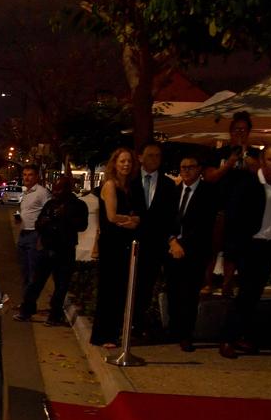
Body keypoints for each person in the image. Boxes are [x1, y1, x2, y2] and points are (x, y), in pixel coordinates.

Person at [218, 143, 271, 359]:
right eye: (269, 159)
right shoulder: (248, 183)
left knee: (253, 295)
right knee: (245, 294)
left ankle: (240, 335)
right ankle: (227, 338)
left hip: (268, 246)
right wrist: (233, 251)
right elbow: (234, 216)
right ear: (262, 160)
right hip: (251, 246)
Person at [14, 176, 87, 325]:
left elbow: (82, 226)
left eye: (59, 189)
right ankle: (27, 311)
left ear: (67, 189)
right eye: (55, 188)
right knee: (36, 282)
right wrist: (44, 222)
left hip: (64, 250)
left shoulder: (78, 205)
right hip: (47, 249)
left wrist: (65, 217)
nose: (56, 192)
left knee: (61, 285)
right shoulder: (50, 204)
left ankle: (54, 316)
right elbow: (39, 223)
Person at [166, 156, 219, 351]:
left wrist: (182, 245)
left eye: (191, 167)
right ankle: (173, 329)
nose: (186, 171)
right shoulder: (174, 191)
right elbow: (167, 218)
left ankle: (186, 335)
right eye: (183, 167)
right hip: (171, 248)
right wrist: (172, 241)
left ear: (199, 169)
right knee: (173, 291)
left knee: (189, 294)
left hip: (194, 251)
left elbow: (205, 224)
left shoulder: (209, 193)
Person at [91, 147, 141, 348]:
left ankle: (113, 332)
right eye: (122, 161)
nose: (126, 164)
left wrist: (132, 221)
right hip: (112, 244)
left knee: (120, 290)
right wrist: (130, 220)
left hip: (124, 243)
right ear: (115, 163)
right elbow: (111, 217)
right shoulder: (110, 186)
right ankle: (104, 335)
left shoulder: (129, 187)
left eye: (129, 161)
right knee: (109, 290)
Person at [202, 111, 254, 296]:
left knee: (233, 250)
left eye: (244, 130)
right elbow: (210, 177)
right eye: (237, 129)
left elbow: (261, 173)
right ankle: (208, 282)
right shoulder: (220, 153)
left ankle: (227, 284)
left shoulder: (254, 154)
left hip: (242, 211)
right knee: (212, 248)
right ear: (231, 132)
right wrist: (229, 162)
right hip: (219, 209)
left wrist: (245, 154)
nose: (240, 133)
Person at [131, 141, 178, 337]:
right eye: (150, 155)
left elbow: (171, 215)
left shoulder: (168, 184)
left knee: (147, 285)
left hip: (156, 244)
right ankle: (128, 322)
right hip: (133, 243)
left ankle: (139, 322)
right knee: (131, 285)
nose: (154, 159)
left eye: (158, 156)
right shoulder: (130, 181)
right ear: (140, 157)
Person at [14, 164, 50, 290]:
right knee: (24, 270)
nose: (27, 178)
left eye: (30, 175)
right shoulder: (26, 192)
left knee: (33, 272)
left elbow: (48, 213)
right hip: (23, 234)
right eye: (24, 175)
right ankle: (25, 302)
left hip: (34, 235)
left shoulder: (41, 192)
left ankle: (29, 305)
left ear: (36, 177)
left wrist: (42, 236)